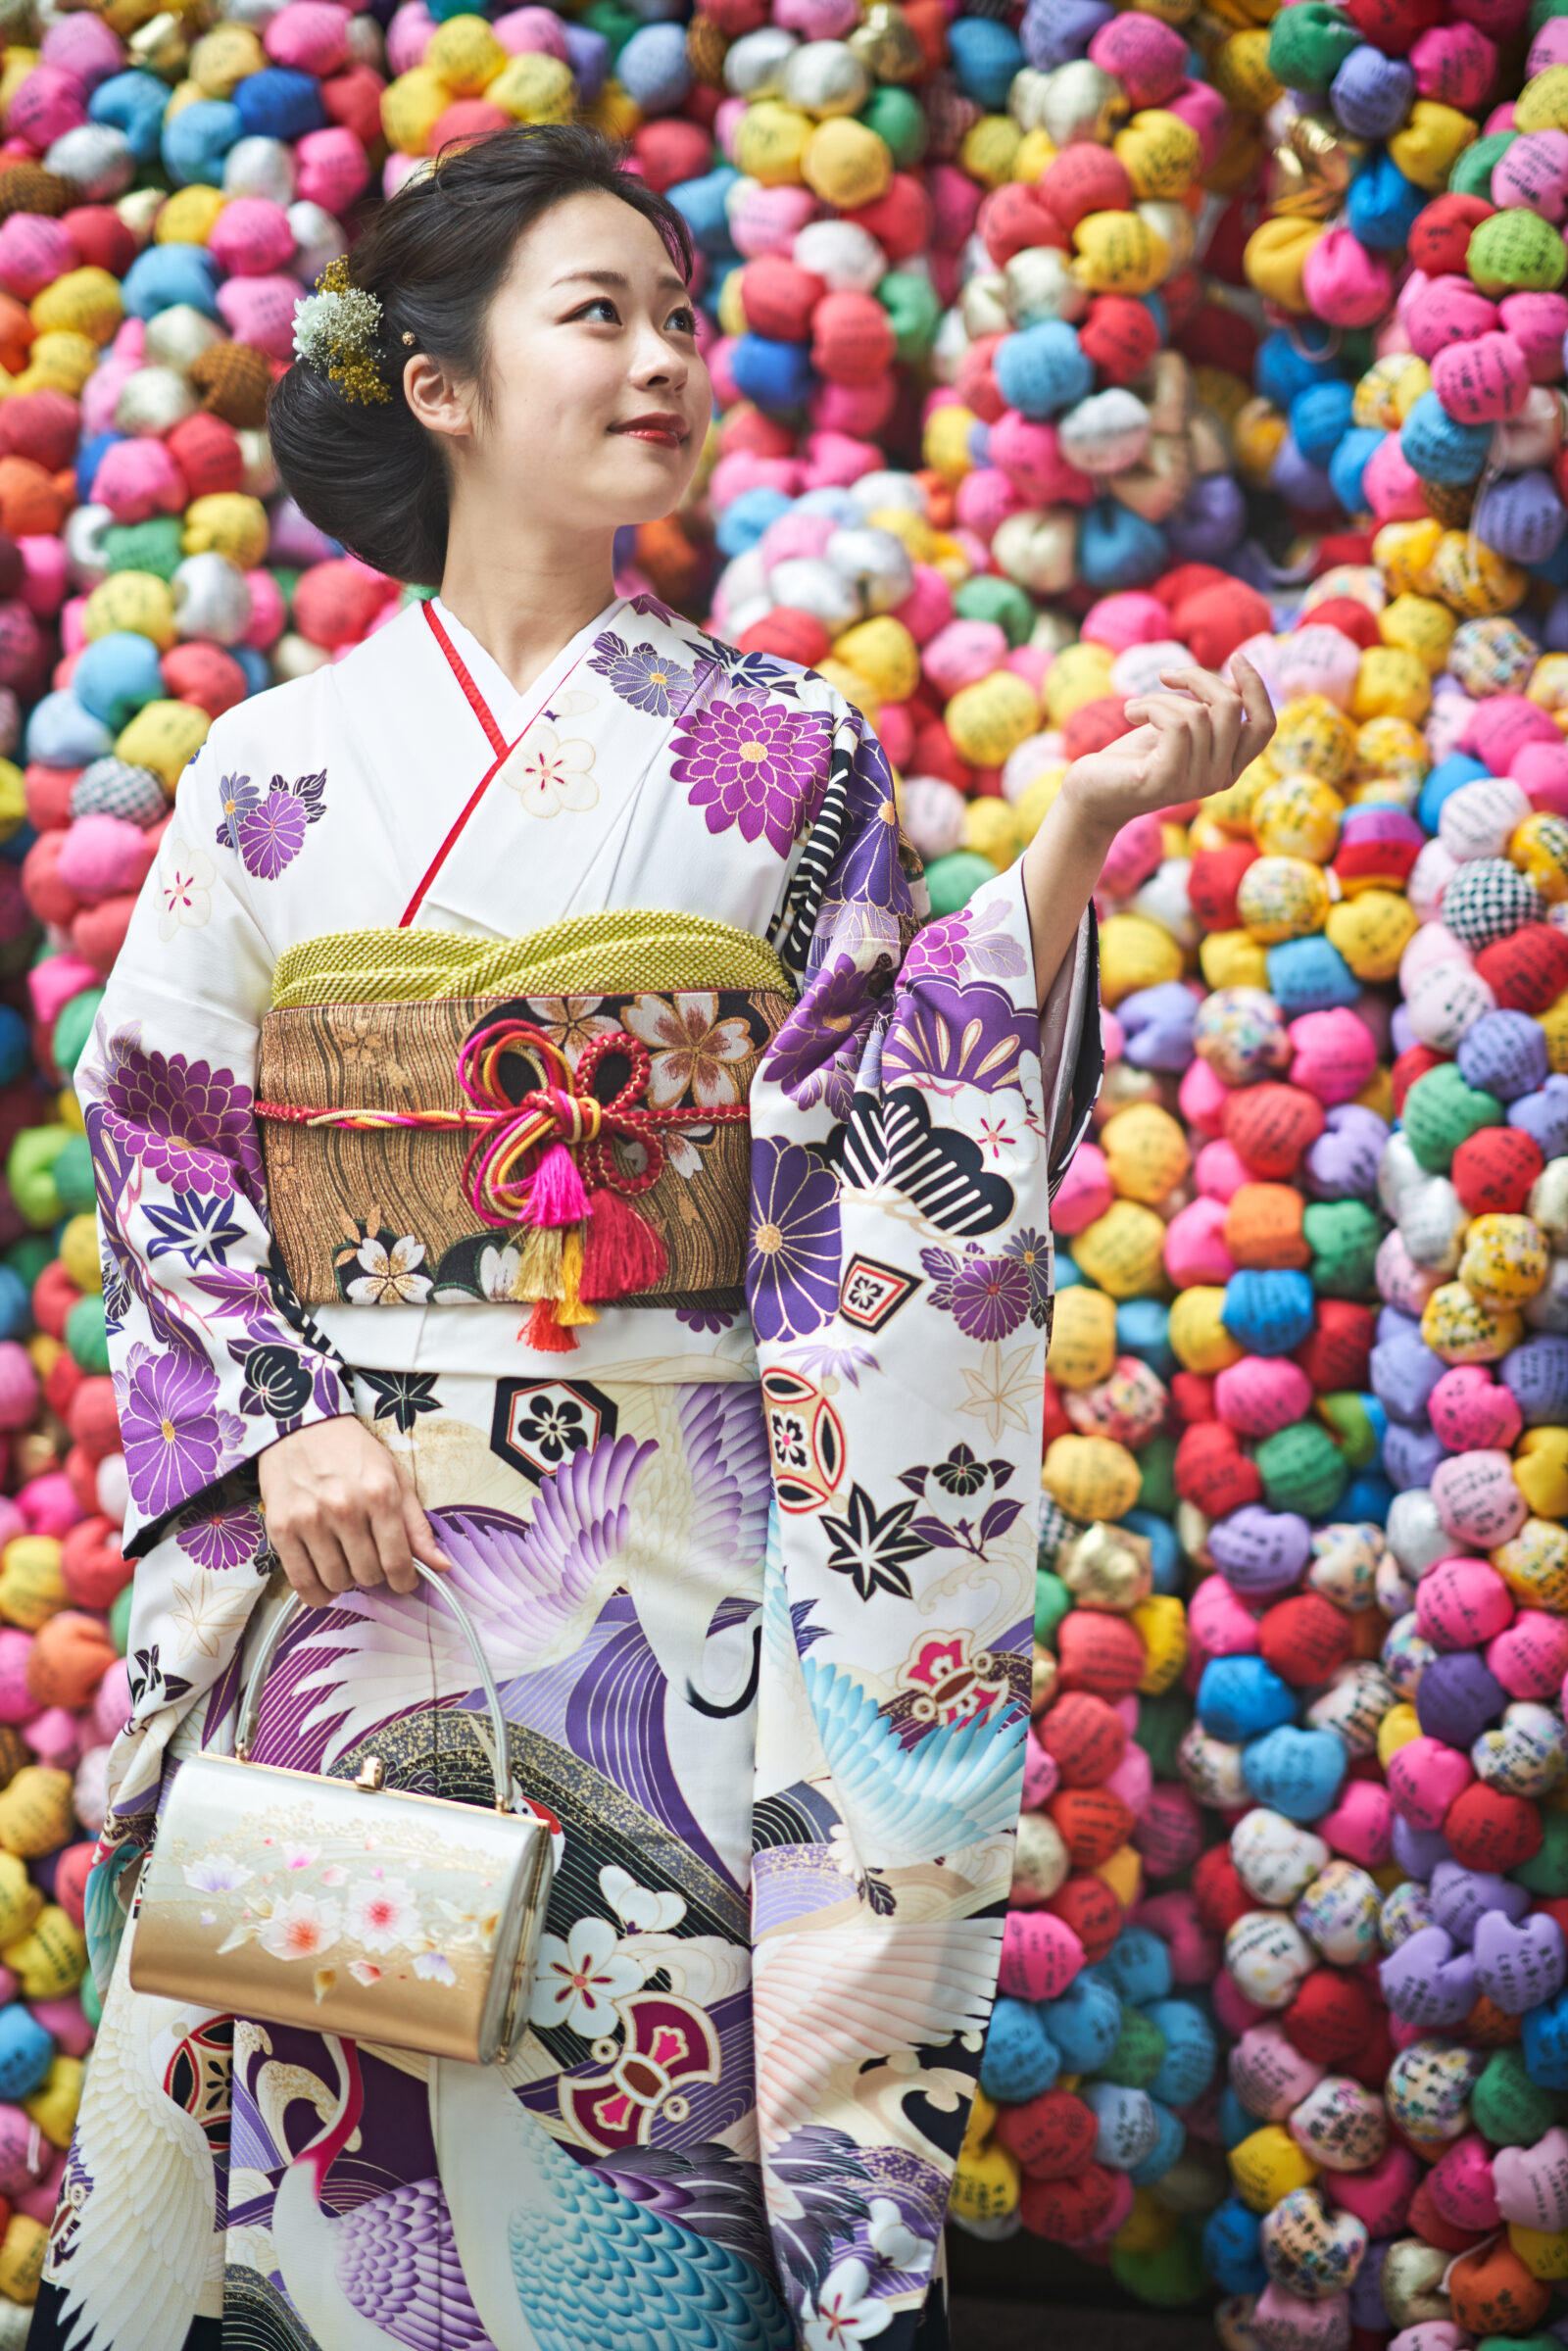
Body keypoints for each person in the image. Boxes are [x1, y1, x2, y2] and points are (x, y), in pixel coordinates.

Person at [32, 123, 1272, 2351]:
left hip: (673, 1566)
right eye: (598, 314)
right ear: (437, 382)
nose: (665, 361)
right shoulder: (271, 768)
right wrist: (281, 1425)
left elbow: (886, 1138)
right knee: (334, 2146)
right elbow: (165, 1127)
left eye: (682, 318)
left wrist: (1072, 846)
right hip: (353, 1546)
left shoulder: (787, 750)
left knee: (648, 2133)